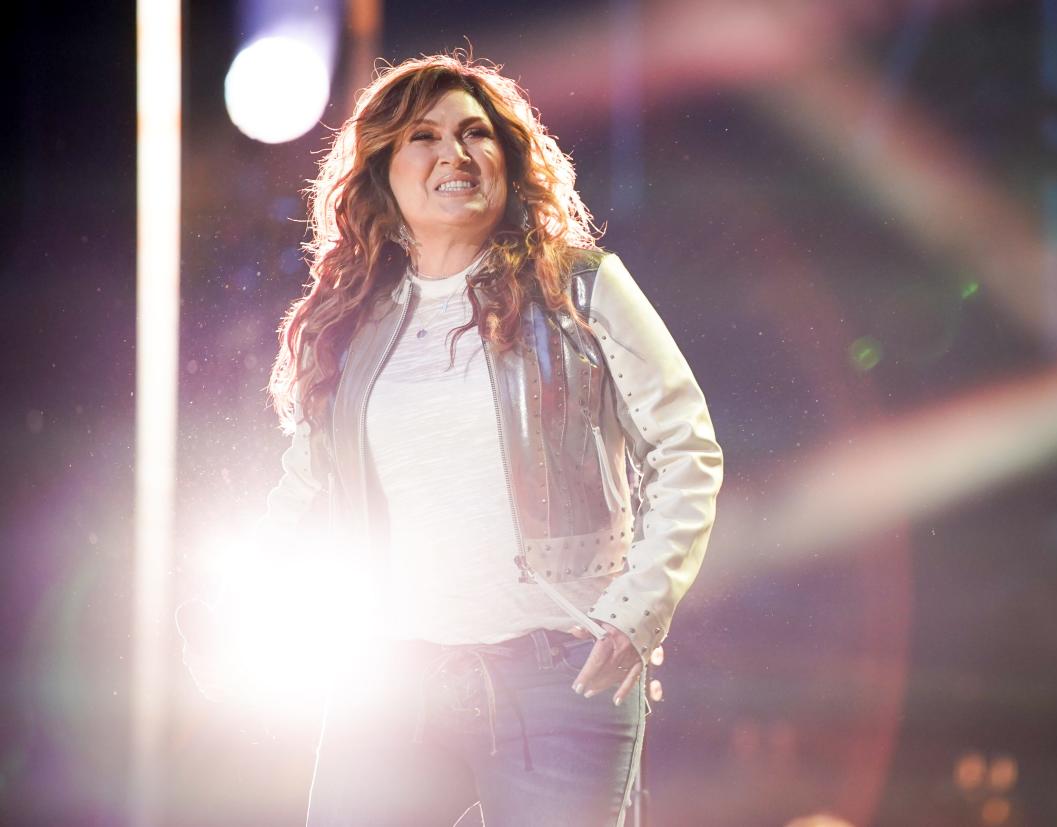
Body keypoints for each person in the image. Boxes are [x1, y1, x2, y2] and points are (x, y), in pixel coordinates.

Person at [188, 50, 722, 827]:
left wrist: (640, 607)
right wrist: (235, 610)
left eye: (477, 134)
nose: (456, 154)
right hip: (389, 682)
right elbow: (304, 487)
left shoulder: (582, 286)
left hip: (561, 679)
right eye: (424, 137)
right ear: (383, 172)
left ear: (508, 159)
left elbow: (686, 446)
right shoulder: (349, 323)